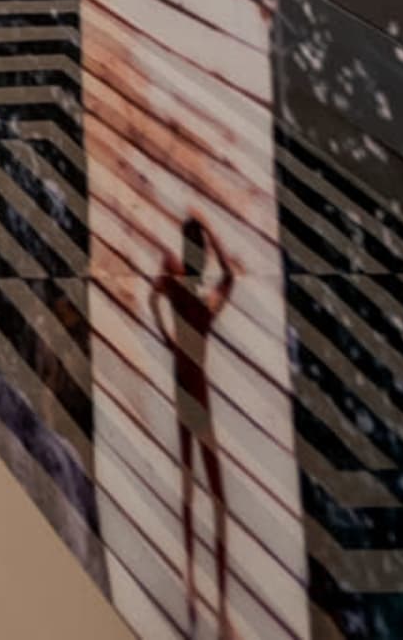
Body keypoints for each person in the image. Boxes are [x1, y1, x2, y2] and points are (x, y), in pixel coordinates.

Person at [151, 216, 242, 637]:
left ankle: (190, 586)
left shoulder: (173, 286)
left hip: (179, 388)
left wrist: (166, 337)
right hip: (199, 397)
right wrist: (214, 232)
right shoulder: (204, 305)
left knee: (190, 489)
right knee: (217, 498)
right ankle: (221, 609)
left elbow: (154, 296)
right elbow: (230, 279)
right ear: (202, 257)